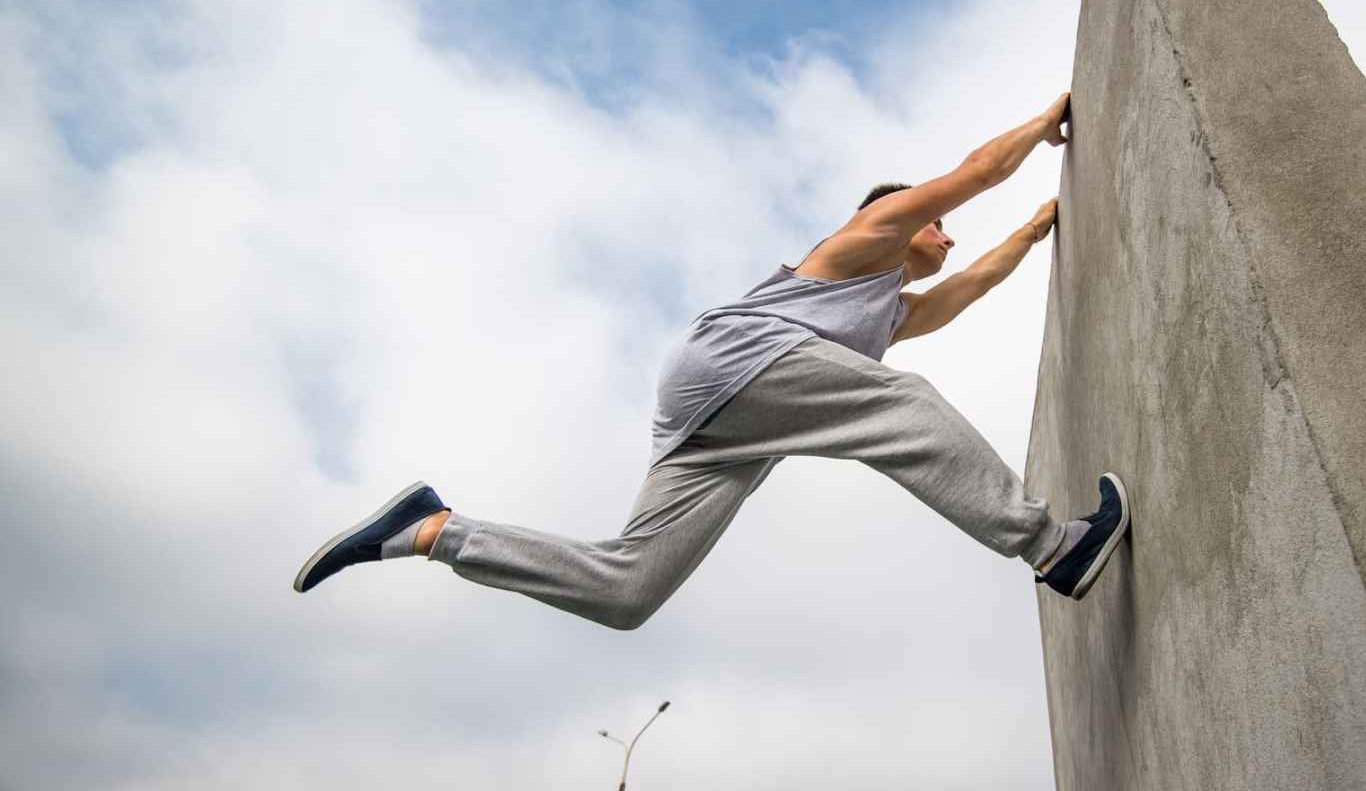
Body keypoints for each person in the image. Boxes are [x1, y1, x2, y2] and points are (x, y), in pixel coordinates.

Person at [294, 91, 1131, 627]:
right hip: (735, 363)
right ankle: (1051, 546)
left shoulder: (887, 315)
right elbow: (973, 172)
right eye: (939, 225)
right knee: (901, 405)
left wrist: (1031, 229)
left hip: (717, 422)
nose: (950, 237)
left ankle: (434, 531)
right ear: (899, 218)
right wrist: (1041, 124)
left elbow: (968, 290)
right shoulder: (862, 240)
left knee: (630, 589)